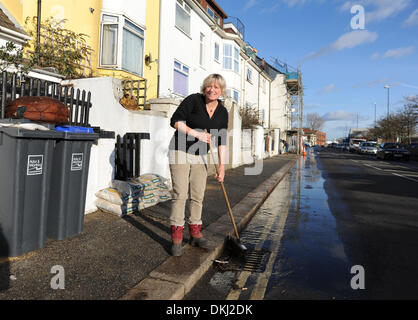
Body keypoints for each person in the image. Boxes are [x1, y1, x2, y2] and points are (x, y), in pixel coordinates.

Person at [168, 74, 228, 256]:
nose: (212, 90)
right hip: (180, 150)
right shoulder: (193, 100)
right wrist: (197, 134)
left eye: (217, 87)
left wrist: (222, 167)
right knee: (180, 194)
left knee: (198, 195)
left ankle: (195, 233)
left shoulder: (222, 112)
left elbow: (222, 140)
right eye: (210, 86)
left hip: (201, 155)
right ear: (205, 88)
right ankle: (177, 237)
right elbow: (175, 121)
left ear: (221, 91)